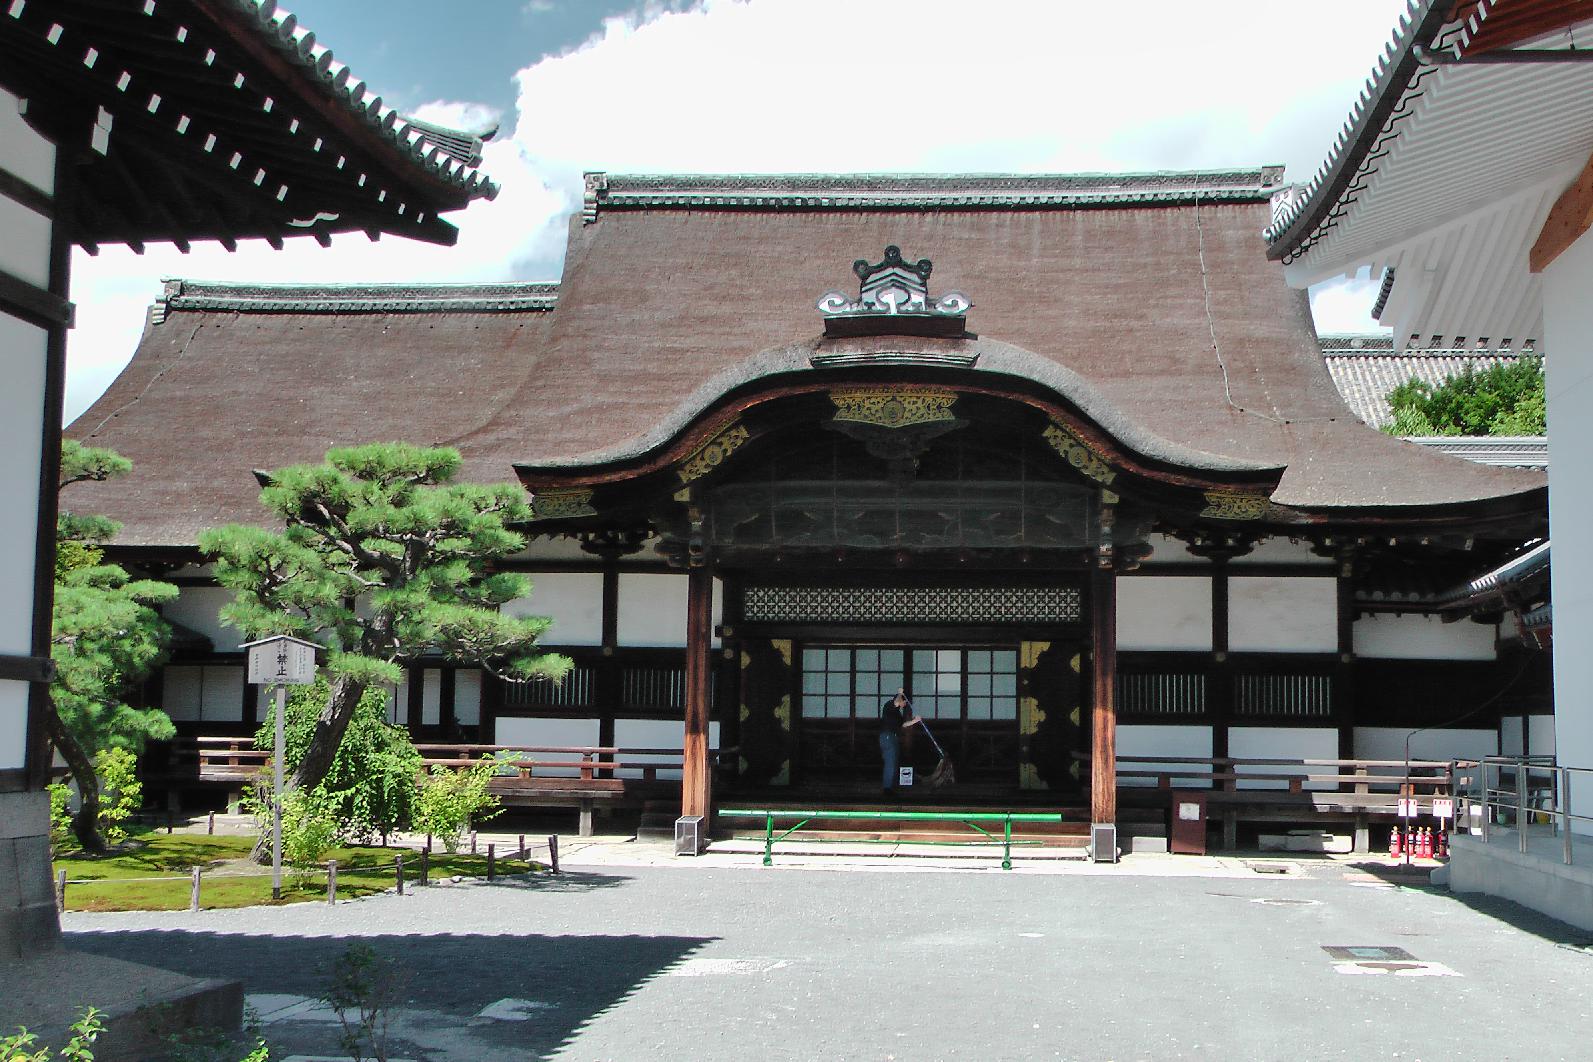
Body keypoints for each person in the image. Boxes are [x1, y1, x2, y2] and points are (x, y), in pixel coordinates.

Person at [879, 688, 922, 795]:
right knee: (890, 762)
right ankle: (887, 788)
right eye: (905, 702)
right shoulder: (889, 705)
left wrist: (915, 721)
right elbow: (897, 701)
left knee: (894, 762)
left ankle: (891, 787)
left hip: (893, 737)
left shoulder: (897, 714)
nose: (905, 704)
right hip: (887, 737)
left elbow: (903, 725)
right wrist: (900, 693)